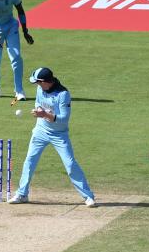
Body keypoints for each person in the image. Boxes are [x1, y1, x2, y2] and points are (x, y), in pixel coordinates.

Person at [8, 67, 96, 206]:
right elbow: (38, 102)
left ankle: (88, 196)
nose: (36, 85)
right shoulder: (40, 89)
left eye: (38, 82)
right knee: (29, 161)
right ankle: (22, 194)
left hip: (59, 135)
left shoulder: (63, 94)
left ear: (44, 81)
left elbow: (63, 119)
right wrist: (38, 110)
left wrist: (45, 115)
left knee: (70, 164)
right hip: (40, 131)